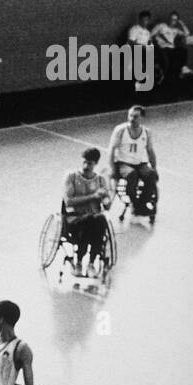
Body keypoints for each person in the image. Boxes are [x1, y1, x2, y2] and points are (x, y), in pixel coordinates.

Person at [62, 147, 112, 276]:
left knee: (100, 220)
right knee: (92, 221)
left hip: (94, 219)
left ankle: (91, 263)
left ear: (95, 164)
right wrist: (93, 196)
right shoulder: (71, 177)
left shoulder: (101, 180)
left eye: (89, 163)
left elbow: (107, 206)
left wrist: (106, 197)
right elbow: (69, 201)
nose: (85, 166)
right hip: (75, 219)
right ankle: (78, 261)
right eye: (84, 162)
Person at [108, 104, 159, 219]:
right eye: (130, 116)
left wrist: (154, 167)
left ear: (142, 118)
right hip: (123, 163)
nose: (131, 119)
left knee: (151, 175)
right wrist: (112, 169)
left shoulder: (146, 132)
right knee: (132, 175)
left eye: (135, 116)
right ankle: (134, 203)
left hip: (140, 164)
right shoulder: (120, 130)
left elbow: (150, 150)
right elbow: (111, 150)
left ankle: (142, 204)